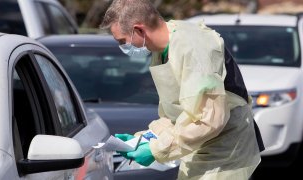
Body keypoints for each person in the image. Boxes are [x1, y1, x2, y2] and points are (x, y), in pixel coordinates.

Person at [100, 0, 264, 179]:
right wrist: (145, 138)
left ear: (139, 30)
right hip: (200, 146)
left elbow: (209, 120)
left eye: (122, 41)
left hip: (227, 149)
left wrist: (156, 149)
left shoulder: (193, 48)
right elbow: (175, 114)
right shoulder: (161, 50)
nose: (122, 47)